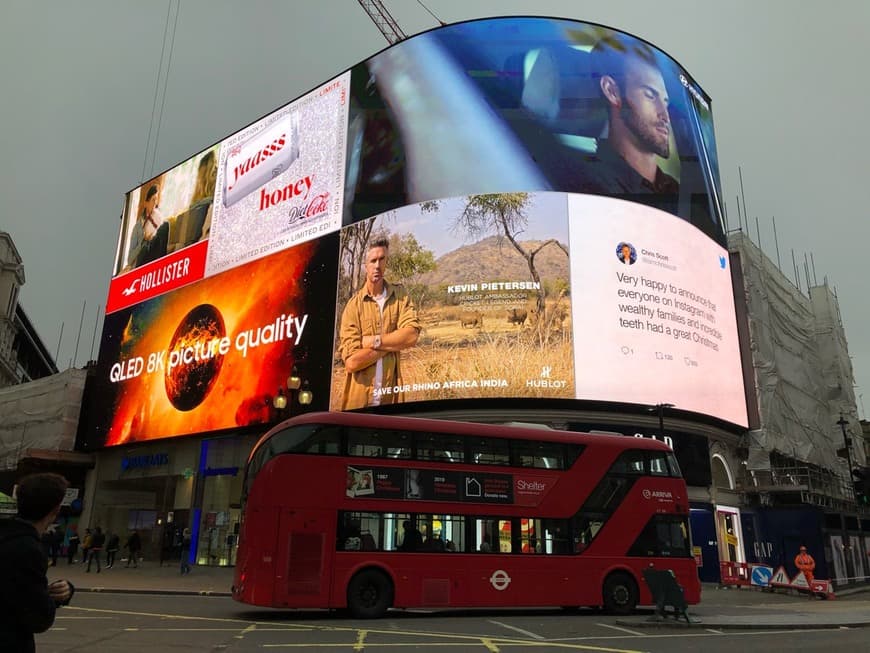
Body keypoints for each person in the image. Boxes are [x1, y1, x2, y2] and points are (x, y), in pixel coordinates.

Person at [578, 36, 679, 200]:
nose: (665, 116)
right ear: (612, 91)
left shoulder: (678, 193)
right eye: (650, 95)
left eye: (665, 102)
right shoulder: (586, 186)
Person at [338, 237, 421, 410]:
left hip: (391, 400)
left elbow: (411, 336)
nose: (377, 265)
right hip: (359, 403)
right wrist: (394, 344)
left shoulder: (400, 296)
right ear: (365, 265)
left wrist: (373, 341)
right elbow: (352, 362)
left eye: (382, 259)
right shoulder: (353, 306)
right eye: (373, 261)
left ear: (386, 262)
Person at [0, 473, 74, 652]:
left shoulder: (7, 535)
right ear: (55, 511)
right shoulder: (29, 549)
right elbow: (39, 618)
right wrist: (55, 597)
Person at [127, 184, 169, 269]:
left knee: (165, 226)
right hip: (140, 260)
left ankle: (161, 264)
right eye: (153, 200)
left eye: (156, 200)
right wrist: (143, 241)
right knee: (147, 245)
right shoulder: (137, 228)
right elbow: (130, 259)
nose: (155, 203)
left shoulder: (158, 218)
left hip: (153, 253)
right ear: (146, 203)